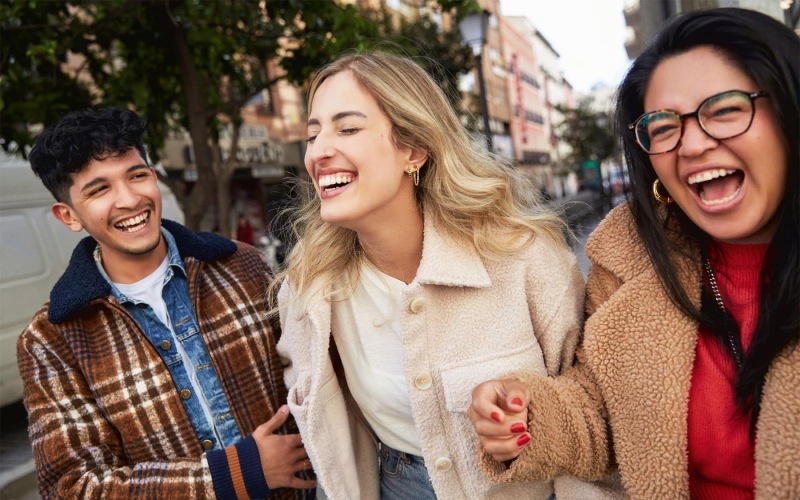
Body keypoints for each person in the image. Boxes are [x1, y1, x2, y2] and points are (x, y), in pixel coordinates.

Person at [469, 8, 799, 499]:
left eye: (726, 109)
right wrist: (527, 414)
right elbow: (607, 412)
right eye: (663, 126)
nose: (690, 144)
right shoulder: (628, 255)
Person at [269, 51, 596, 499]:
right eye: (313, 133)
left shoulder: (524, 257)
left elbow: (591, 404)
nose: (319, 151)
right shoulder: (310, 288)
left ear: (414, 150)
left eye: (347, 128)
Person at [19, 107, 316, 498]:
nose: (129, 199)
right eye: (99, 189)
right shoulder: (52, 337)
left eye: (137, 175)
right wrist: (238, 473)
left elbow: (311, 381)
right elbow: (73, 487)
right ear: (68, 216)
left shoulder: (241, 265)